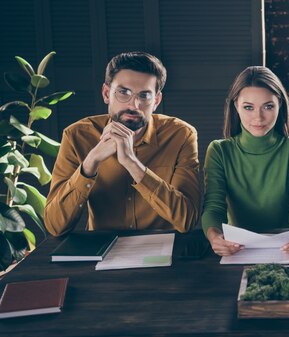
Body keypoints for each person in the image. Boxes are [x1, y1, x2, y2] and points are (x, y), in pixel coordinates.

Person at [44, 52, 201, 236]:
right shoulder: (76, 136)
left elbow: (187, 220)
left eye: (144, 95)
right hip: (101, 251)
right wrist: (90, 163)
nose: (134, 105)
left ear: (156, 101)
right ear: (106, 93)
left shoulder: (181, 135)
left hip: (162, 252)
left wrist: (132, 163)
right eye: (123, 92)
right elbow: (55, 226)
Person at [202, 66, 289, 256]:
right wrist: (215, 238)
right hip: (237, 250)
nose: (258, 117)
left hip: (286, 249)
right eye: (248, 107)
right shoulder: (219, 151)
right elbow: (213, 206)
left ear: (279, 105)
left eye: (268, 106)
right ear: (236, 105)